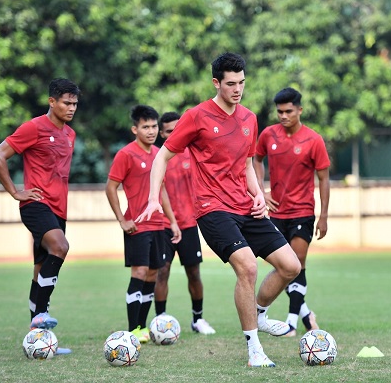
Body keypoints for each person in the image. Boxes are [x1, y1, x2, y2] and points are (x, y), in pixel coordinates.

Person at [135, 52, 301, 368]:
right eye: (230, 84)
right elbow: (162, 157)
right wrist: (154, 198)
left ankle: (261, 313)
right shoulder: (197, 117)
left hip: (245, 206)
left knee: (290, 266)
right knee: (248, 267)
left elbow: (247, 165)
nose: (237, 89)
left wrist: (258, 196)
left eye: (241, 82)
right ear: (216, 83)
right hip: (211, 208)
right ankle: (254, 349)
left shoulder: (249, 118)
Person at [0, 78, 80, 355]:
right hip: (36, 204)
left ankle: (37, 338)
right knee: (60, 247)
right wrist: (16, 191)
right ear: (51, 101)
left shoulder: (70, 134)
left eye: (75, 103)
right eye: (66, 103)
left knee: (41, 268)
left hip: (58, 209)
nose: (72, 108)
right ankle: (41, 314)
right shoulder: (34, 127)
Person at [254, 87, 331, 337]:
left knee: (297, 265)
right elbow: (255, 159)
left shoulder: (313, 140)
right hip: (276, 214)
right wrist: (261, 191)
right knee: (283, 267)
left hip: (302, 212)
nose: (283, 116)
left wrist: (324, 215)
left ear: (300, 110)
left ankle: (291, 323)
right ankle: (306, 313)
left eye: (288, 111)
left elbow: (324, 178)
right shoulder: (268, 135)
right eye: (279, 112)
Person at [105, 105, 181, 343]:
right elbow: (110, 187)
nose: (150, 131)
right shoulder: (126, 154)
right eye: (145, 127)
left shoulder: (160, 154)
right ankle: (132, 329)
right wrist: (122, 219)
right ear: (134, 129)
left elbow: (163, 191)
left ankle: (141, 328)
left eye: (154, 126)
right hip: (137, 225)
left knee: (152, 275)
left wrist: (173, 221)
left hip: (159, 225)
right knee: (138, 273)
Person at [153, 111, 216, 335]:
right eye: (169, 131)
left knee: (194, 273)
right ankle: (160, 320)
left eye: (178, 129)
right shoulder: (161, 156)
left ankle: (197, 319)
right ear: (162, 133)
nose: (175, 134)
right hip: (163, 225)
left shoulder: (194, 153)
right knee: (162, 272)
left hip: (189, 224)